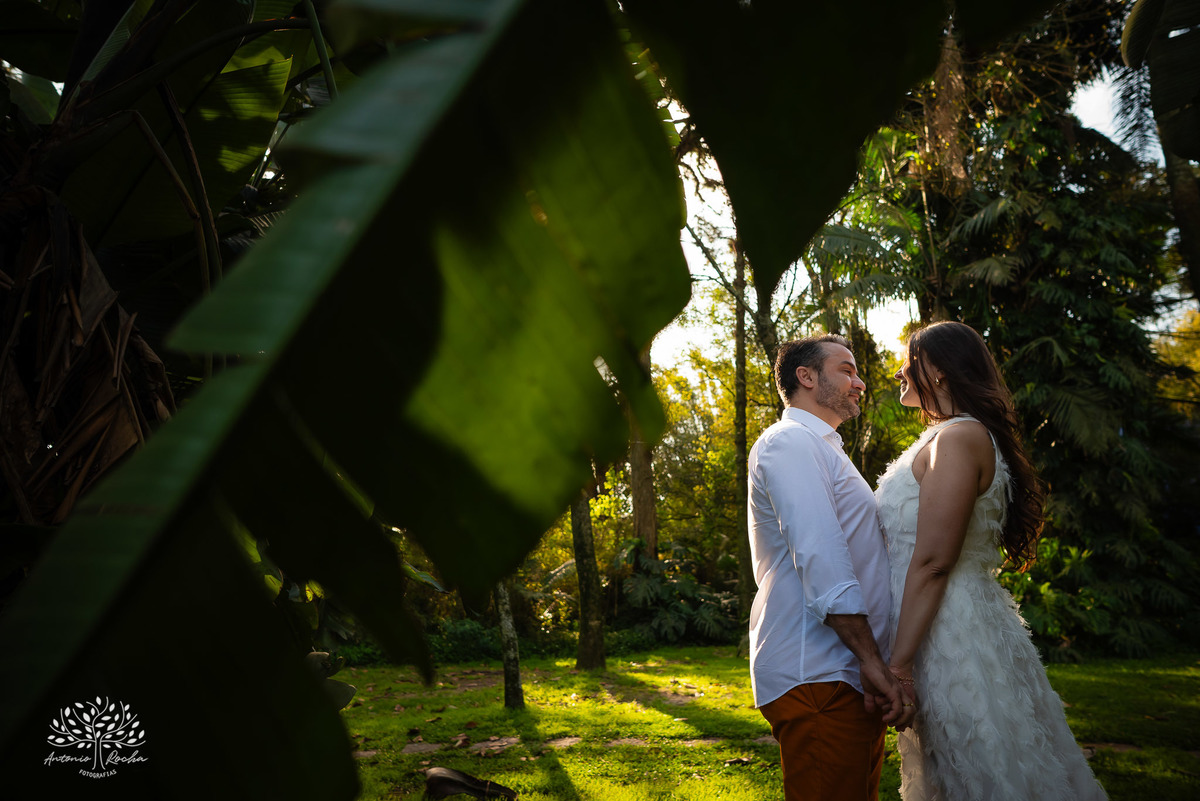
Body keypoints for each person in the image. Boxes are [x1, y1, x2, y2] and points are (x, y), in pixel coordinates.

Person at [878, 321, 1107, 800]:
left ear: (939, 371)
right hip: (936, 619)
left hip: (949, 629)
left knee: (984, 767)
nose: (899, 372)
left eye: (908, 361)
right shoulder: (950, 435)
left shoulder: (959, 438)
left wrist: (899, 666)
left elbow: (934, 561)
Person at [748, 334, 914, 801]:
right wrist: (871, 660)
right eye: (847, 370)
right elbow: (821, 558)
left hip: (845, 674)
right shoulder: (790, 442)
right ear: (805, 376)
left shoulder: (824, 447)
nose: (860, 383)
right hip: (819, 672)